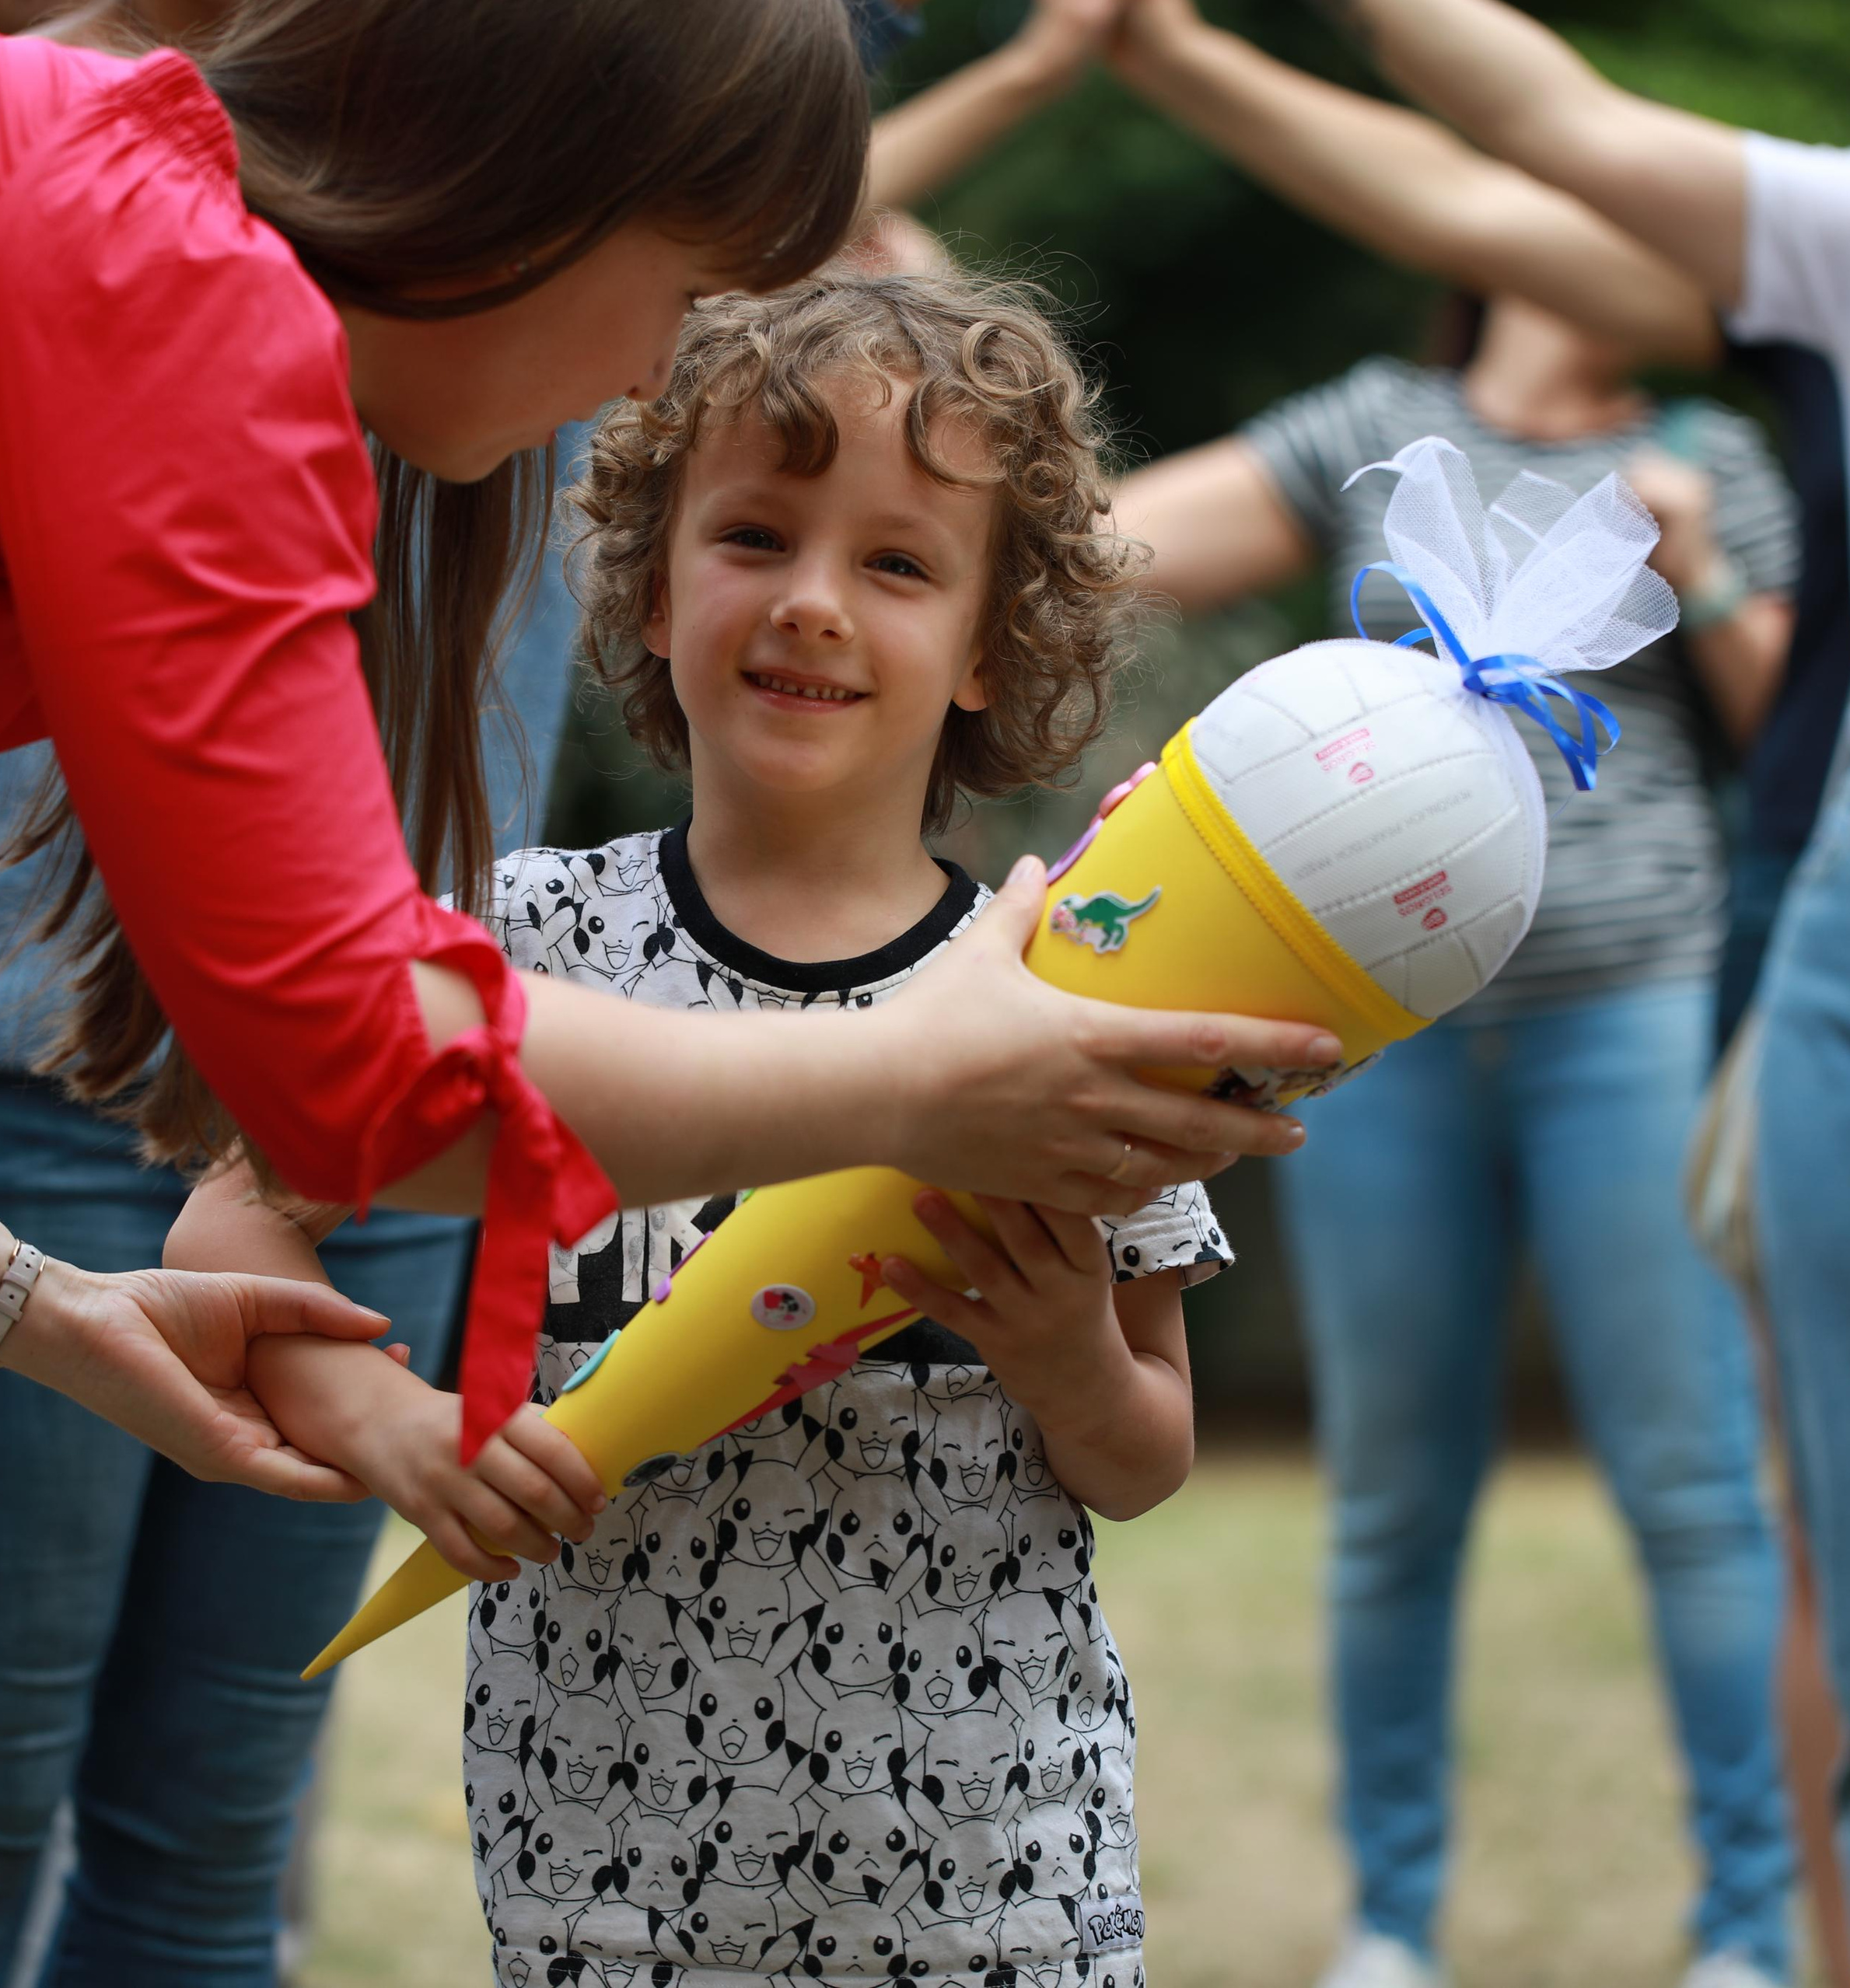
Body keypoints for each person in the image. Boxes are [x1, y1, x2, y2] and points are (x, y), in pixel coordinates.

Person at [0, 0, 1334, 1501]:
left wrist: (25, 1304)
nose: (647, 377)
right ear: (542, 189)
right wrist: (911, 1080)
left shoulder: (109, 226)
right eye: (688, 291)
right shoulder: (170, 293)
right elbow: (358, 1075)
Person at [169, 265, 1220, 1984]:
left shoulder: (1061, 991)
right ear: (652, 589)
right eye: (753, 535)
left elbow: (1146, 1449)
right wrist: (381, 1413)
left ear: (986, 644)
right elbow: (228, 1222)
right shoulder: (518, 942)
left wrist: (1066, 1362)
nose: (812, 601)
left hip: (991, 1870)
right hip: (601, 1860)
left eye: (895, 563)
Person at [1082, 9, 1803, 1986]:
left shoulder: (1719, 448)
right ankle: (1388, 1921)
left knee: (1684, 1481)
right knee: (1390, 1488)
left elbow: (1789, 742)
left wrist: (1710, 568)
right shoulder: (1367, 437)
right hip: (1363, 1036)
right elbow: (1104, 548)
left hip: (1631, 1015)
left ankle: (1748, 1919)